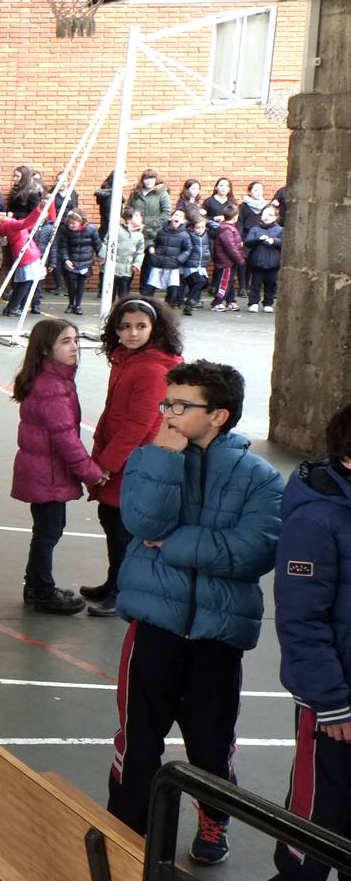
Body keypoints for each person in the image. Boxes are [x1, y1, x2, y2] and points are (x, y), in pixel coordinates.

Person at [106, 360, 284, 866]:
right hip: (154, 626)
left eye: (182, 406)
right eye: (168, 403)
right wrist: (165, 460)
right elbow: (141, 521)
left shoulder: (260, 477)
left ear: (219, 416)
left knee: (210, 740)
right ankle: (126, 828)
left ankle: (214, 816)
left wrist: (174, 543)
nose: (168, 414)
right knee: (139, 739)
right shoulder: (150, 457)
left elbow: (253, 553)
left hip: (218, 632)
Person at [271, 400, 351, 881]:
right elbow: (301, 620)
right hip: (335, 708)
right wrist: (331, 703)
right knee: (315, 826)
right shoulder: (315, 521)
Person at [81, 299, 184, 615]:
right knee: (112, 523)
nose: (132, 333)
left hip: (131, 464)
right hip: (123, 460)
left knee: (123, 530)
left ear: (155, 328)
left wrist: (106, 465)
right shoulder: (129, 360)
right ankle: (114, 582)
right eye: (125, 326)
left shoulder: (151, 369)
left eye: (141, 326)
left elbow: (139, 425)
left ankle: (124, 592)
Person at [9, 319, 100, 615]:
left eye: (75, 340)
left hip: (45, 471)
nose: (74, 347)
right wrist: (91, 473)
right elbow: (66, 439)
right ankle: (43, 591)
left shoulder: (56, 379)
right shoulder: (51, 387)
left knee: (48, 530)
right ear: (46, 349)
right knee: (48, 532)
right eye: (65, 341)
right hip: (46, 474)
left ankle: (35, 585)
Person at [244, 204, 282, 313]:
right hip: (257, 262)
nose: (266, 217)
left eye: (270, 215)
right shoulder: (255, 229)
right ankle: (253, 303)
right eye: (264, 214)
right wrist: (258, 239)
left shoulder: (280, 230)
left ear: (275, 217)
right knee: (255, 284)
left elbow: (284, 243)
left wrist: (274, 241)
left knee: (271, 284)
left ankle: (268, 303)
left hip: (273, 263)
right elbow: (248, 242)